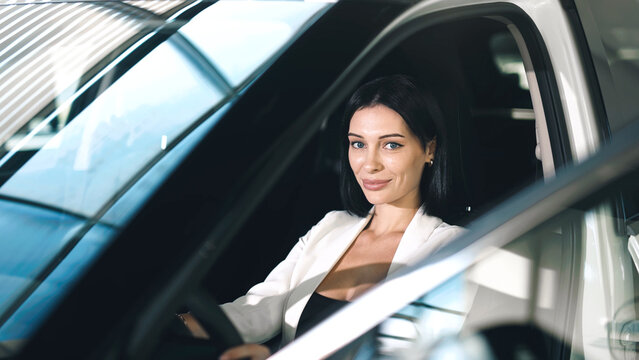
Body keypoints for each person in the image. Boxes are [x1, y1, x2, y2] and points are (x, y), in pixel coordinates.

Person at [185, 74, 464, 360]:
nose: (370, 164)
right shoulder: (331, 226)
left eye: (390, 144)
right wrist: (176, 325)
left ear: (429, 149)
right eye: (358, 144)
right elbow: (258, 308)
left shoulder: (456, 248)